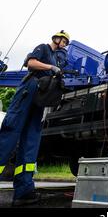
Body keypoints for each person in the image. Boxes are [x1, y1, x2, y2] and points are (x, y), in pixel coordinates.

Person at [0, 30, 70, 206]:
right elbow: (31, 63)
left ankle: (24, 191)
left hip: (39, 99)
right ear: (57, 38)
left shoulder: (57, 58)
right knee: (9, 135)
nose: (65, 45)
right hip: (27, 91)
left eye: (66, 43)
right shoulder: (44, 48)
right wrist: (50, 68)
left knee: (31, 142)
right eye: (64, 41)